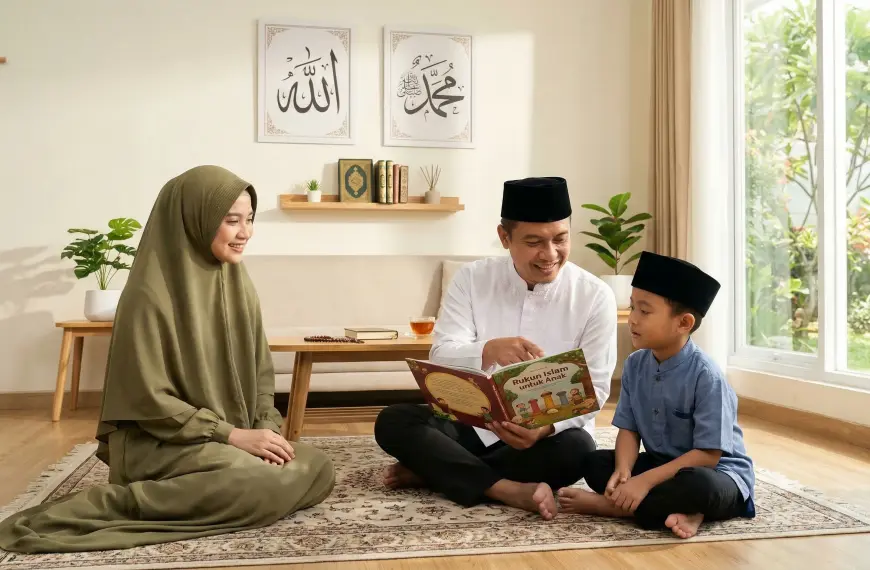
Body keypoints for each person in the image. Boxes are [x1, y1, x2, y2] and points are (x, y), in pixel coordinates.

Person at [0, 166, 335, 553]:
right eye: (232, 221)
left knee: (317, 466)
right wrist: (233, 435)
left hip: (230, 440)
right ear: (196, 220)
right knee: (259, 482)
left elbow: (260, 373)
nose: (246, 233)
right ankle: (118, 502)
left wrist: (265, 427)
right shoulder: (148, 296)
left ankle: (219, 487)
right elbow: (150, 402)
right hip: (161, 443)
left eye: (250, 220)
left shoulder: (239, 285)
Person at [374, 177, 617, 520]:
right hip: (472, 427)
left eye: (560, 239)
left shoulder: (595, 296)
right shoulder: (472, 278)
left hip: (544, 441)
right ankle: (505, 489)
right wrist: (488, 350)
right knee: (394, 420)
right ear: (505, 238)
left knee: (579, 450)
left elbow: (598, 388)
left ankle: (438, 472)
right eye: (534, 242)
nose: (550, 255)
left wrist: (542, 429)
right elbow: (440, 355)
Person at [557, 251, 755, 539]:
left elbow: (709, 456)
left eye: (645, 311)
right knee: (595, 463)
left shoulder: (707, 376)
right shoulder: (636, 365)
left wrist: (645, 482)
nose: (633, 319)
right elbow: (629, 428)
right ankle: (682, 511)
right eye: (632, 307)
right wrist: (625, 472)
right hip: (664, 466)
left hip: (716, 474)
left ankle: (616, 508)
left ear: (683, 323)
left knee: (699, 486)